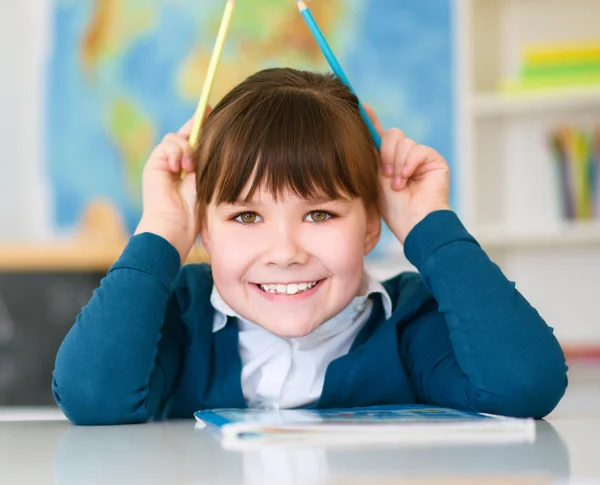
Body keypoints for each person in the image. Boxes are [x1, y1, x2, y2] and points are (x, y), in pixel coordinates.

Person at [52, 68, 568, 425]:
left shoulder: (410, 322)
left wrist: (426, 223)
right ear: (204, 230)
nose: (284, 251)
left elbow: (525, 385)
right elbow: (93, 397)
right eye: (246, 216)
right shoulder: (176, 317)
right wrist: (163, 227)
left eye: (319, 213)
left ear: (371, 225)